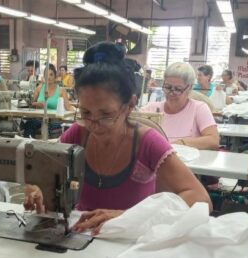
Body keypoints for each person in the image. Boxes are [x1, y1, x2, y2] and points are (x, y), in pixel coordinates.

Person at [24, 42, 212, 235]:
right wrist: (36, 188)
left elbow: (202, 200)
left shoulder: (147, 142)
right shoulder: (78, 134)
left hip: (130, 244)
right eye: (85, 112)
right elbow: (41, 171)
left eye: (106, 114)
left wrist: (127, 216)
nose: (94, 124)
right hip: (83, 235)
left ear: (130, 104)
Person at [142, 62, 219, 150]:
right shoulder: (151, 109)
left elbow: (213, 140)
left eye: (178, 89)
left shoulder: (199, 109)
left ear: (189, 88)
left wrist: (180, 143)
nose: (171, 93)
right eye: (167, 87)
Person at [23, 64, 74, 137]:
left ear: (55, 76)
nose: (48, 77)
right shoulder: (39, 88)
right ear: (43, 76)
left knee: (54, 128)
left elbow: (68, 108)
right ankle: (29, 146)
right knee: (28, 125)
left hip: (54, 120)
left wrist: (77, 111)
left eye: (51, 75)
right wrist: (38, 104)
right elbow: (31, 104)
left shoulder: (61, 90)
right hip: (39, 119)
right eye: (46, 75)